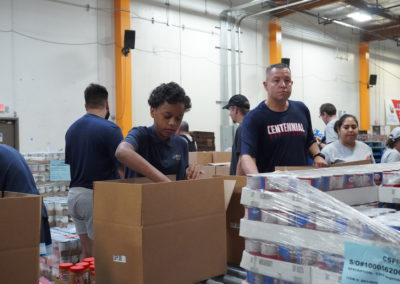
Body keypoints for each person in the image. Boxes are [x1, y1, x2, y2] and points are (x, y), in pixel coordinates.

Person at [65, 83, 124, 258]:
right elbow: (122, 169)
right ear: (107, 105)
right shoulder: (111, 129)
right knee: (103, 256)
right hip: (94, 198)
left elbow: (70, 163)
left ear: (85, 106)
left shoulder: (71, 130)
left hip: (74, 196)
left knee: (87, 252)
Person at [240, 63, 327, 174]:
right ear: (266, 85)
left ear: (291, 83)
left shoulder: (301, 109)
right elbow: (247, 156)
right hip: (271, 186)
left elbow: (310, 140)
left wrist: (318, 155)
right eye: (276, 80)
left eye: (287, 80)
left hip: (301, 182)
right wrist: (258, 182)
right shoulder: (254, 117)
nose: (283, 85)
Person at [116, 82, 202, 182]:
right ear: (152, 112)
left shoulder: (181, 144)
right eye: (167, 116)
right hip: (140, 197)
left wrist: (190, 174)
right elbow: (121, 152)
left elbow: (181, 181)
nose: (172, 123)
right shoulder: (140, 135)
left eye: (178, 118)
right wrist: (164, 181)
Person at [0, 144, 52, 255]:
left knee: (22, 264)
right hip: (32, 208)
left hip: (21, 216)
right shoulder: (6, 150)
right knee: (30, 265)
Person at [222, 94, 250, 175]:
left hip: (242, 182)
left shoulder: (242, 129)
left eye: (230, 110)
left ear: (235, 109)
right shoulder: (251, 127)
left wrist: (237, 183)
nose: (229, 114)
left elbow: (242, 160)